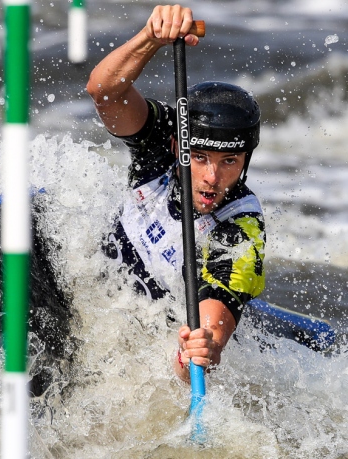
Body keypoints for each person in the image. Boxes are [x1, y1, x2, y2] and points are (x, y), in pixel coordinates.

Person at [86, 4, 266, 382]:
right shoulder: (166, 136)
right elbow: (103, 91)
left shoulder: (241, 231)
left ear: (246, 159)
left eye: (229, 161)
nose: (211, 178)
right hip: (92, 286)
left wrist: (203, 350)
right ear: (178, 145)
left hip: (145, 331)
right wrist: (151, 37)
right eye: (199, 158)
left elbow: (210, 330)